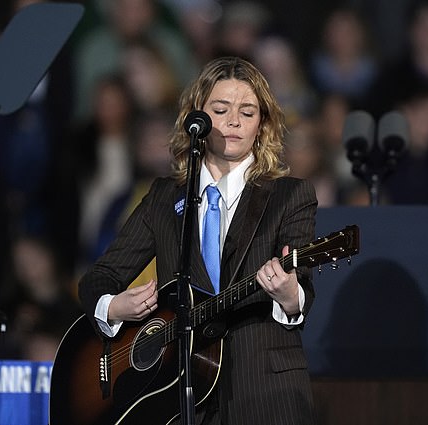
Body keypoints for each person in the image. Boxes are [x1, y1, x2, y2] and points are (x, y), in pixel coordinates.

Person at [78, 56, 317, 424]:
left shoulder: (290, 195)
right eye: (221, 110)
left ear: (262, 124)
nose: (234, 121)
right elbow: (99, 278)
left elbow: (301, 292)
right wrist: (113, 308)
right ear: (198, 119)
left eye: (248, 112)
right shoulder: (163, 197)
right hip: (178, 396)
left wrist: (288, 294)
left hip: (264, 393)